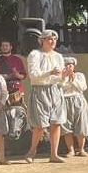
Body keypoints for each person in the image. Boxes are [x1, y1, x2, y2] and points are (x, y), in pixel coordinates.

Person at [25, 28, 67, 163]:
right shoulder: (35, 54)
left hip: (55, 91)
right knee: (40, 124)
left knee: (56, 122)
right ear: (42, 41)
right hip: (40, 90)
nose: (53, 41)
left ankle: (53, 154)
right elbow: (33, 76)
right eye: (49, 39)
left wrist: (64, 77)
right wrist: (49, 72)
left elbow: (60, 79)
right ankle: (32, 151)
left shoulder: (58, 56)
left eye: (54, 39)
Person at [60, 56, 88, 157]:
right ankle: (70, 150)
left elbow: (82, 87)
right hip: (65, 101)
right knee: (66, 126)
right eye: (67, 65)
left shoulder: (80, 75)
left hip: (78, 100)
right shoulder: (61, 77)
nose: (69, 67)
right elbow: (60, 88)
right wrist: (65, 77)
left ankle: (81, 149)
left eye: (71, 65)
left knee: (81, 125)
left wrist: (73, 79)